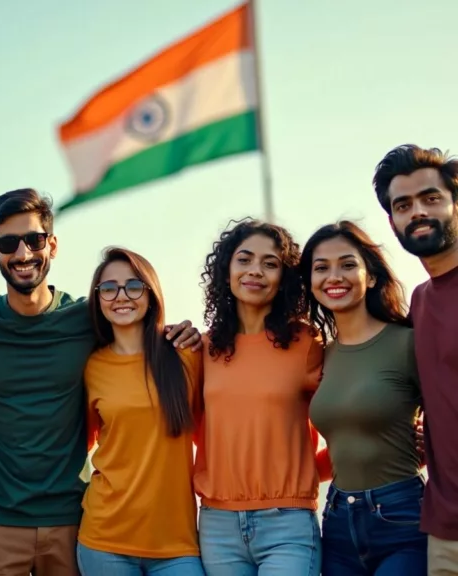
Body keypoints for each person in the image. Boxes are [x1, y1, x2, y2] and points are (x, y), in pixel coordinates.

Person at [0, 188, 200, 576]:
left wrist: (177, 334)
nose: (23, 254)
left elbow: (134, 329)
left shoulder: (88, 319)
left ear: (51, 246)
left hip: (72, 519)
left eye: (34, 240)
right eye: (9, 243)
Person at [194, 218, 324, 576]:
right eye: (245, 259)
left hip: (287, 524)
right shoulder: (202, 349)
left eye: (271, 264)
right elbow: (195, 431)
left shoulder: (306, 344)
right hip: (218, 525)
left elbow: (345, 420)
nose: (256, 271)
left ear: (284, 278)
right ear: (226, 270)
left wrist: (309, 473)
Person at [301, 220, 426, 575]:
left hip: (403, 515)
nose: (333, 276)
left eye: (347, 264)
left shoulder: (407, 342)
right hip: (338, 521)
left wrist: (433, 445)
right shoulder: (321, 355)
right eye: (321, 268)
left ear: (370, 276)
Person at [77, 247, 205, 576]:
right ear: (98, 298)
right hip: (105, 540)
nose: (121, 296)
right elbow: (79, 445)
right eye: (109, 288)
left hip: (178, 546)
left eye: (133, 286)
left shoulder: (187, 354)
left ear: (151, 294)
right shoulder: (91, 367)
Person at [373, 145, 458, 576]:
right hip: (444, 530)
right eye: (403, 205)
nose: (418, 213)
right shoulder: (420, 303)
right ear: (392, 222)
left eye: (431, 199)